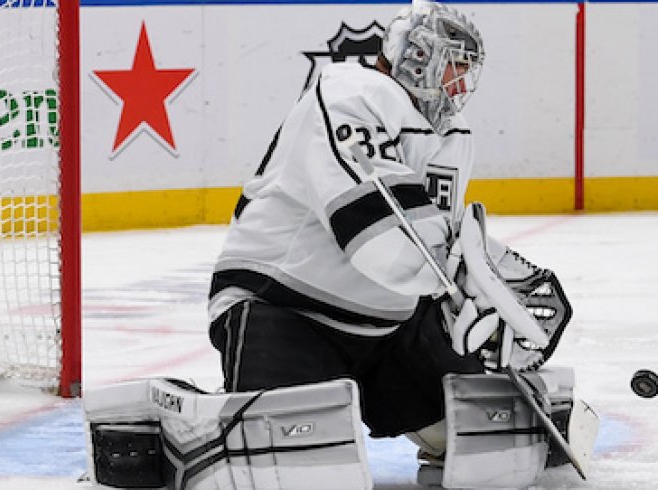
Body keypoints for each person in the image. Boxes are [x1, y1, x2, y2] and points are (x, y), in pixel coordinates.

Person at [206, 1, 490, 457]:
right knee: (292, 459)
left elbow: (438, 239)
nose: (458, 82)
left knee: (474, 439)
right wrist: (469, 284)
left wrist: (489, 292)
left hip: (389, 325)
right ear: (416, 56)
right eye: (451, 64)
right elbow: (381, 238)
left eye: (466, 69)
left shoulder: (454, 133)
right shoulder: (352, 93)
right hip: (285, 309)